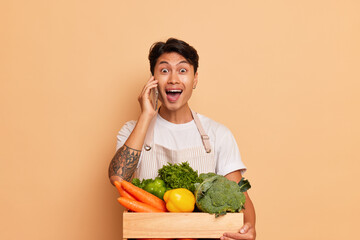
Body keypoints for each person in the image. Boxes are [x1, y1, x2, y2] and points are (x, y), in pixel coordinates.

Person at [108, 38, 256, 240]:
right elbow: (118, 178)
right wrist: (145, 116)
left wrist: (249, 228)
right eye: (164, 70)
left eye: (183, 70)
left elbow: (241, 197)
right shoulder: (132, 130)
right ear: (153, 79)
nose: (173, 80)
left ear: (195, 79)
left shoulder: (218, 134)